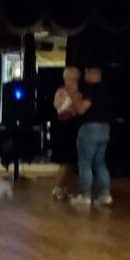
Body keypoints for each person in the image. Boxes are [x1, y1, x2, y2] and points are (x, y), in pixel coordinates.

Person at [70, 64, 113, 208]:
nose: (85, 77)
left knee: (85, 163)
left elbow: (82, 109)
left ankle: (85, 195)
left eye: (87, 74)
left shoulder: (91, 89)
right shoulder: (107, 90)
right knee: (100, 162)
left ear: (92, 74)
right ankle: (105, 194)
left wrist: (75, 98)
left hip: (90, 128)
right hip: (105, 128)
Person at [50, 65, 82, 200]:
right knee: (65, 161)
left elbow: (79, 110)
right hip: (63, 127)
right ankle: (57, 188)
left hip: (73, 127)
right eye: (70, 77)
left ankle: (67, 188)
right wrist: (70, 100)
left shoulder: (79, 92)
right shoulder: (61, 91)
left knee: (72, 161)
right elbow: (58, 107)